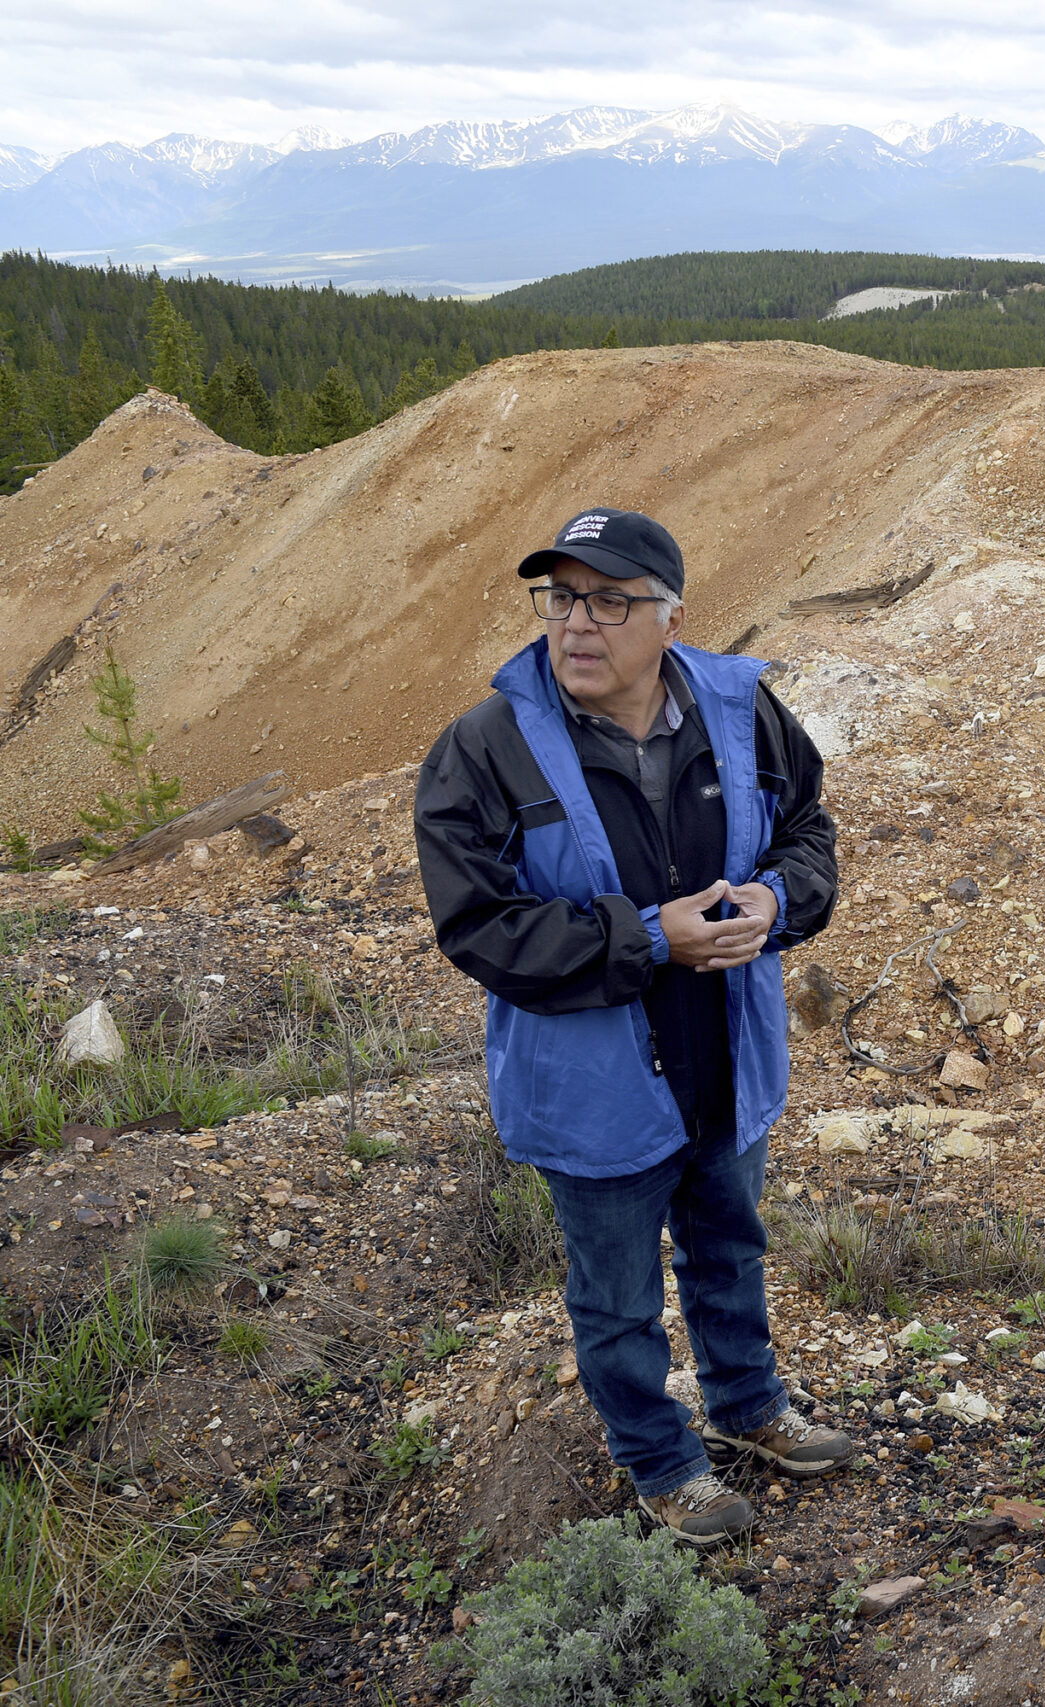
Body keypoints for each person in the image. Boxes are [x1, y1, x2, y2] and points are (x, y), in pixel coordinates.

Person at [414, 505, 853, 1544]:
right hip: (594, 1079)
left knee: (729, 1246)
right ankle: (662, 1464)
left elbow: (807, 832)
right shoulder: (486, 746)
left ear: (670, 619)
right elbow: (478, 923)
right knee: (614, 1295)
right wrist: (648, 938)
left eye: (608, 601)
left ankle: (748, 1410)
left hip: (725, 1050)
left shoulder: (744, 714)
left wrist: (776, 903)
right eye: (560, 598)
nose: (576, 624)